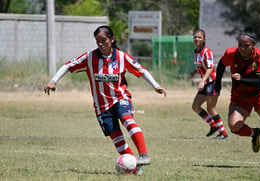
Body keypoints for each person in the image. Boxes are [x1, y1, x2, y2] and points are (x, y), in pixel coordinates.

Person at [44, 25, 167, 174]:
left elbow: (142, 70)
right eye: (97, 41)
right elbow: (68, 65)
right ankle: (134, 168)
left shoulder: (122, 57)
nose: (100, 44)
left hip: (120, 98)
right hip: (101, 106)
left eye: (103, 40)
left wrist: (156, 86)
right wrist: (53, 80)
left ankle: (143, 155)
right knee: (117, 138)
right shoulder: (90, 57)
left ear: (112, 39)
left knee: (127, 119)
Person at [215, 28, 260, 153]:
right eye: (240, 45)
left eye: (246, 46)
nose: (242, 48)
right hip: (241, 95)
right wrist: (217, 84)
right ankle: (254, 133)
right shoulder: (231, 53)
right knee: (234, 126)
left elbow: (259, 82)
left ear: (254, 44)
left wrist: (241, 79)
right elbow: (221, 65)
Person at [191, 29, 228, 139]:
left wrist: (202, 81)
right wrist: (194, 73)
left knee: (211, 108)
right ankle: (213, 126)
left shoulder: (207, 52)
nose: (197, 39)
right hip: (206, 82)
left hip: (212, 82)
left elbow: (210, 67)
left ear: (204, 40)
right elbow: (200, 66)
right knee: (195, 106)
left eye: (199, 37)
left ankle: (223, 133)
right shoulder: (196, 52)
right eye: (195, 37)